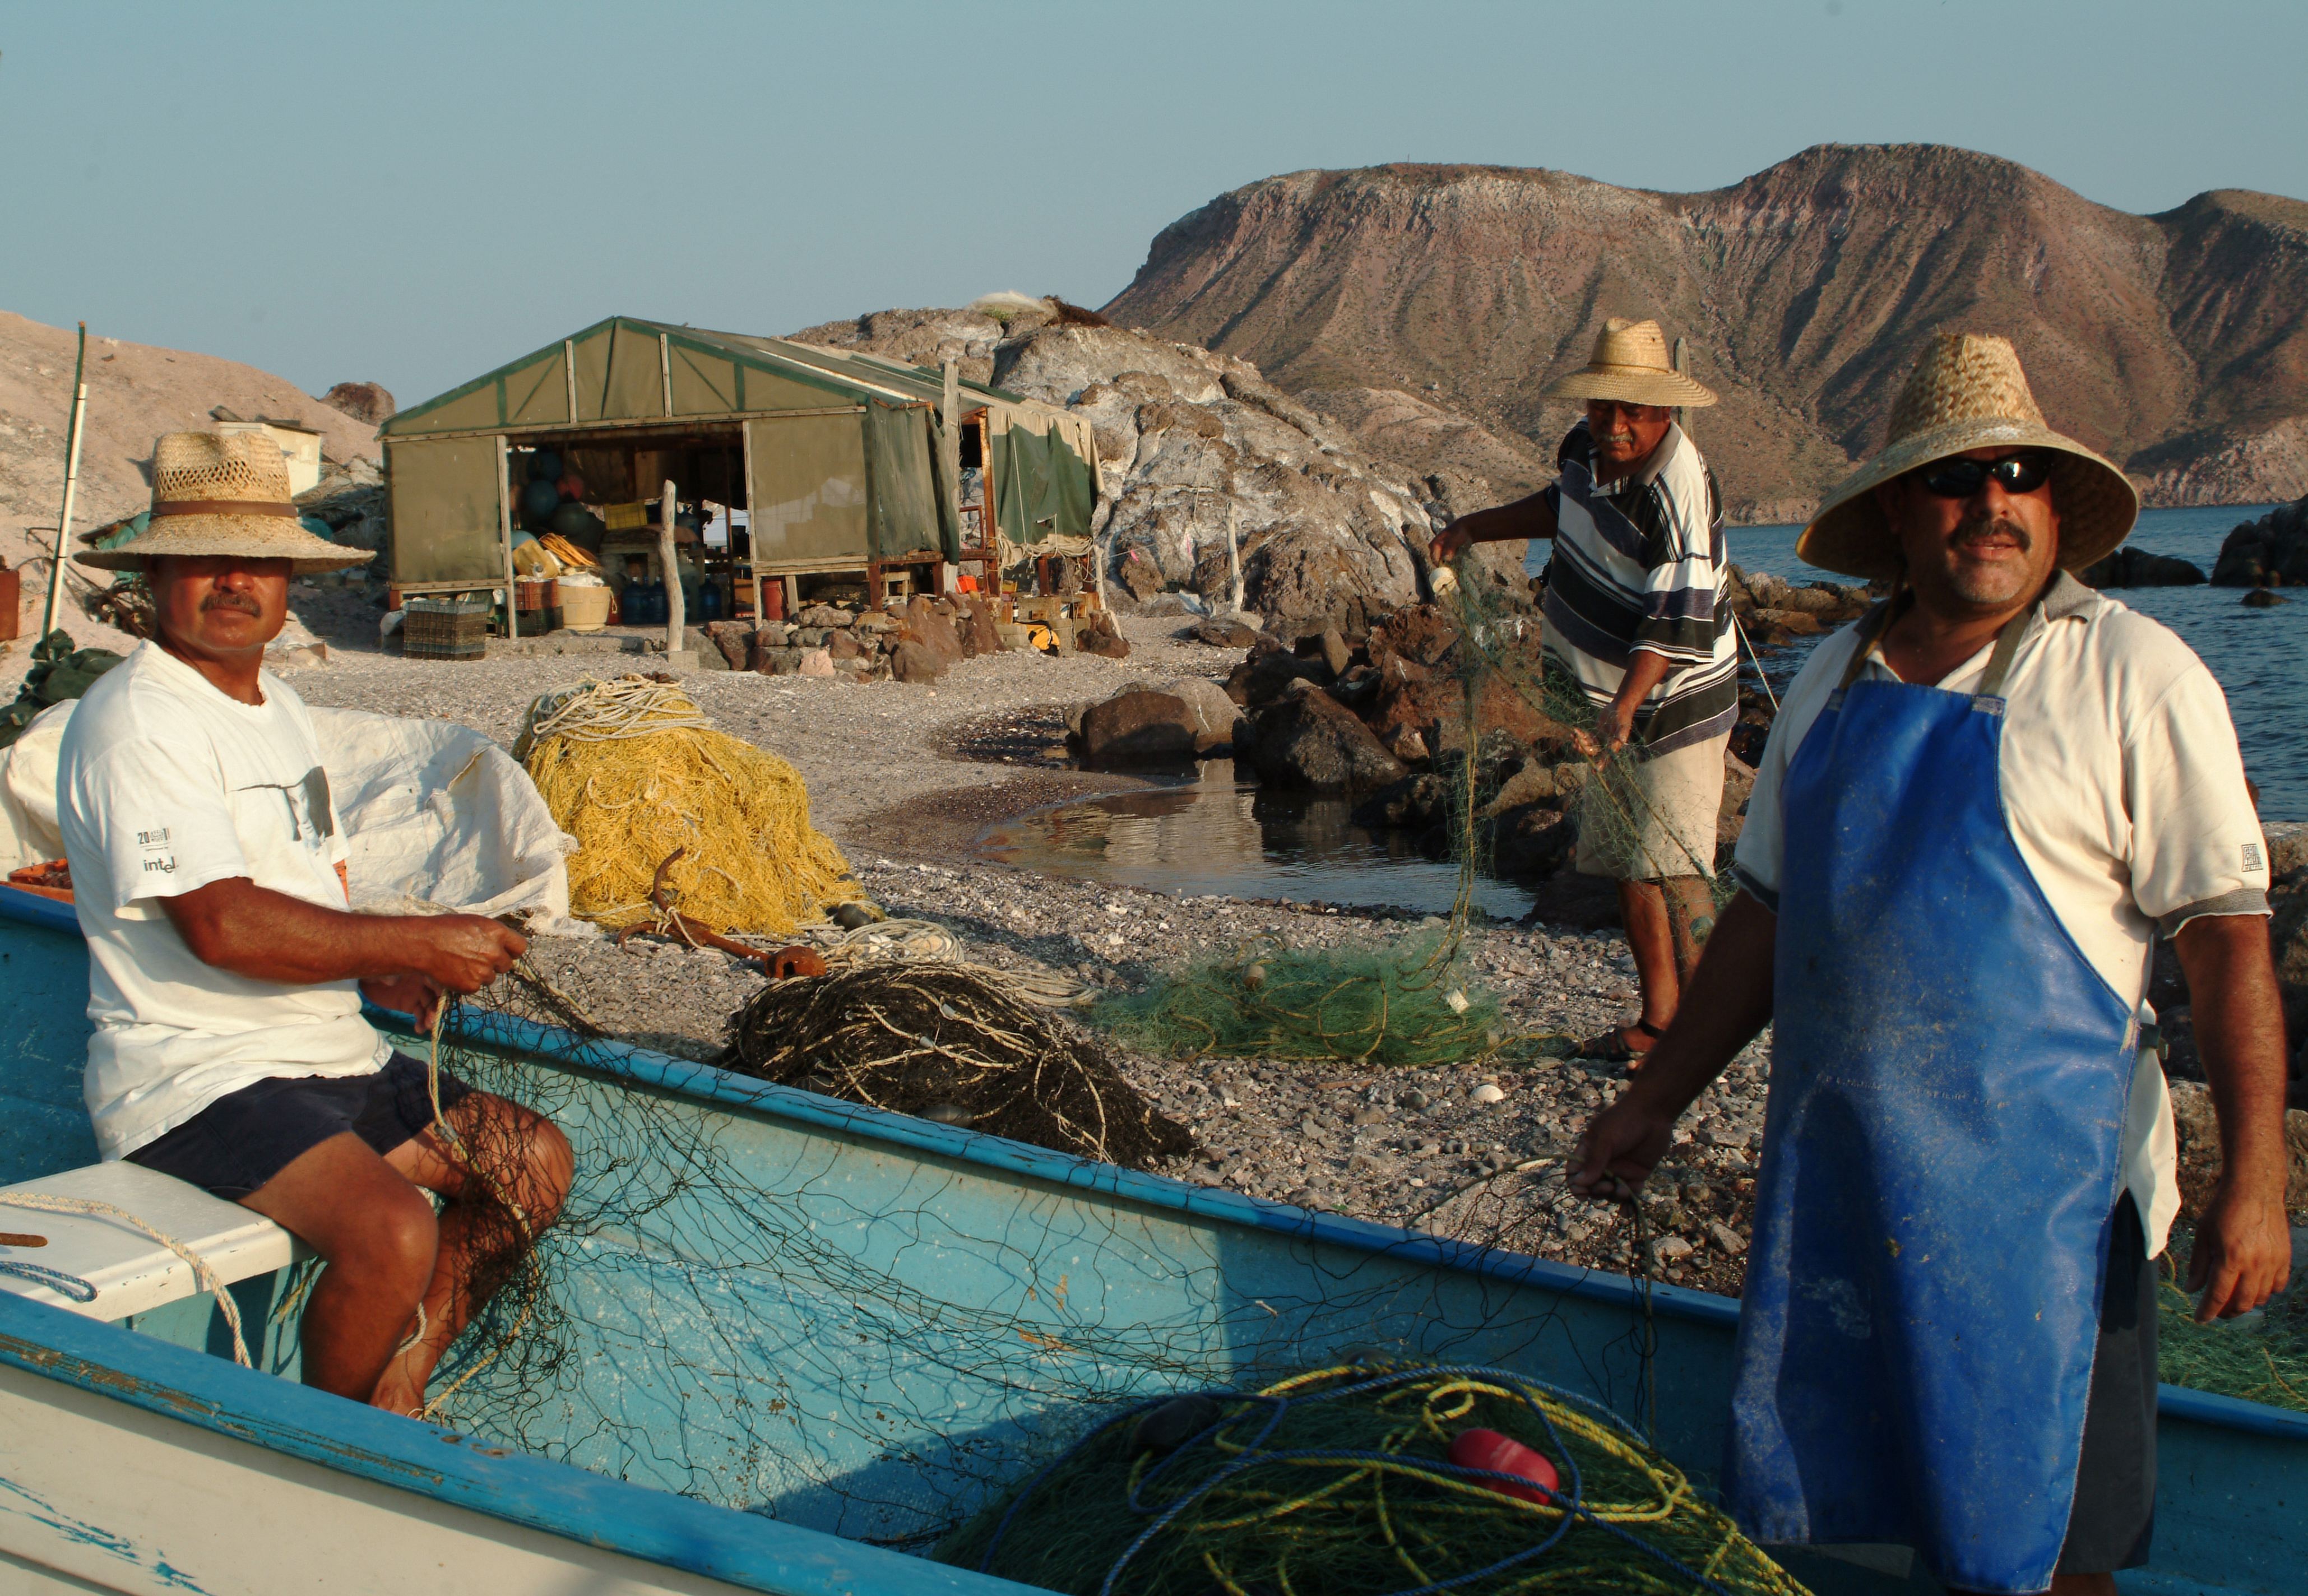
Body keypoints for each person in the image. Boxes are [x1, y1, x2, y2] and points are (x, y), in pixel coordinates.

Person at [1571, 334, 2290, 1594]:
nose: (1993, 501)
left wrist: (2258, 1177)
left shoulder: (2134, 673)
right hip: (1841, 1192)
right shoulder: (1832, 683)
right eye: (1958, 478)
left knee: (2052, 1543)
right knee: (1847, 1512)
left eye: (2019, 474)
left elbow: (2225, 939)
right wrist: (1652, 1098)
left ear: (2054, 502)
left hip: (2051, 1219)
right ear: (1899, 507)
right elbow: (1761, 927)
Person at [59, 430, 573, 1416]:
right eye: (204, 558)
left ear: (291, 579)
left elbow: (300, 894)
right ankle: (340, 1451)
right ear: (155, 576)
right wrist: (415, 942)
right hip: (196, 1074)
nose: (234, 581)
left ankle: (398, 1390)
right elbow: (221, 927)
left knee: (533, 1164)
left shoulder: (279, 706)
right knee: (392, 1233)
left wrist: (379, 976)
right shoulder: (139, 721)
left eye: (259, 561)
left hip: (323, 1051)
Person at [1431, 317, 1735, 1062]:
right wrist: (1472, 527)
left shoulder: (1677, 489)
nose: (1615, 424)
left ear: (1664, 411)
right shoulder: (1583, 449)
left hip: (1676, 703)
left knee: (1678, 864)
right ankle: (1657, 1021)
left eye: (1633, 410)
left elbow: (1675, 617)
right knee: (1626, 861)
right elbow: (1556, 507)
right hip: (1601, 706)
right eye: (1605, 407)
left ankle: (1701, 1037)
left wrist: (1625, 712)